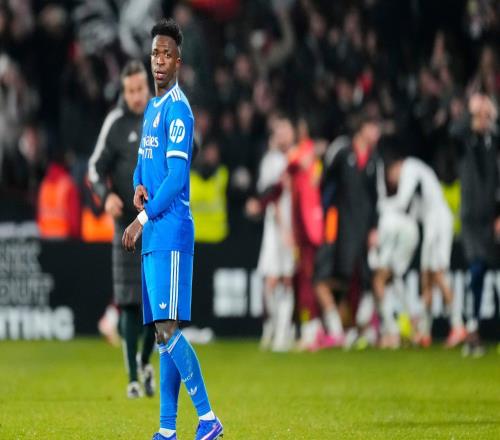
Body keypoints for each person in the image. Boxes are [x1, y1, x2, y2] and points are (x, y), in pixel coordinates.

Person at [122, 19, 223, 440]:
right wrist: (136, 186)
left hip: (171, 232)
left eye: (167, 54)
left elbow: (178, 178)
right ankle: (167, 429)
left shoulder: (179, 109)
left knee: (167, 329)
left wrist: (141, 219)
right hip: (155, 235)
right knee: (164, 333)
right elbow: (144, 166)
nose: (159, 61)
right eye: (155, 54)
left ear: (178, 61)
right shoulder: (152, 109)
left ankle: (208, 418)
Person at [88, 60, 156, 398]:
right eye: (130, 91)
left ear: (147, 86)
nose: (137, 96)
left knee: (156, 305)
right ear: (123, 92)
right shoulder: (114, 123)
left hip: (157, 222)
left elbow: (191, 146)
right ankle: (132, 378)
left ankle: (144, 362)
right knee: (129, 302)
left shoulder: (161, 114)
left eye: (140, 88)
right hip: (126, 227)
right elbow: (94, 169)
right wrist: (106, 196)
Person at [313, 115, 381, 349]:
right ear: (362, 129)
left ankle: (357, 328)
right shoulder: (342, 151)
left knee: (364, 278)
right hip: (338, 227)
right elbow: (325, 183)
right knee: (331, 277)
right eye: (373, 127)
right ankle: (338, 329)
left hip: (362, 229)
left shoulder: (374, 160)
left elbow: (375, 198)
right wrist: (322, 214)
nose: (377, 134)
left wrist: (374, 227)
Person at [384, 155, 466, 348]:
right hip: (431, 224)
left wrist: (383, 206)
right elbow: (413, 210)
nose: (392, 181)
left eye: (391, 176)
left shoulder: (409, 167)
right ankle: (425, 330)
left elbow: (402, 201)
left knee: (437, 274)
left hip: (439, 222)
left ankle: (458, 325)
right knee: (426, 276)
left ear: (396, 166)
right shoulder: (418, 175)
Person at [450, 92, 500, 356]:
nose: (481, 120)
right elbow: (453, 131)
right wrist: (470, 112)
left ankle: (476, 329)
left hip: (491, 218)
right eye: (478, 116)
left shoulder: (494, 141)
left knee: (493, 271)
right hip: (470, 219)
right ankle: (472, 328)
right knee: (477, 268)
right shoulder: (466, 141)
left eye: (484, 115)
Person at [255, 116, 295, 352]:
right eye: (279, 133)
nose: (282, 137)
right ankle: (270, 325)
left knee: (287, 278)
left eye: (286, 132)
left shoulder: (297, 158)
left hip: (293, 223)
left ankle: (283, 331)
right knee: (269, 280)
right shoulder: (271, 161)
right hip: (274, 225)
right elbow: (266, 192)